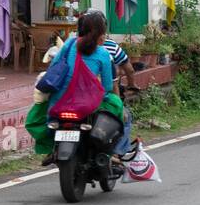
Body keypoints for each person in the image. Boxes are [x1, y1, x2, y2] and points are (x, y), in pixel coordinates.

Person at [34, 10, 137, 163]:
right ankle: (112, 153)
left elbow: (53, 68)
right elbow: (108, 86)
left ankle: (51, 149)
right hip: (88, 105)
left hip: (60, 101)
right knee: (118, 109)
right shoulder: (102, 53)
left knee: (41, 111)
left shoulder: (68, 44)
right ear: (100, 33)